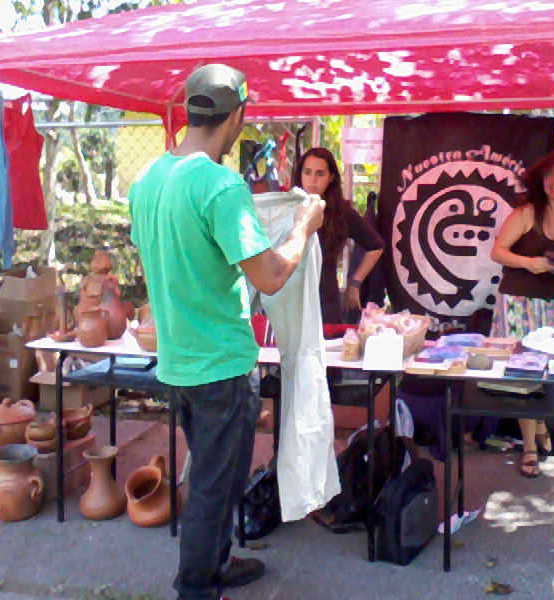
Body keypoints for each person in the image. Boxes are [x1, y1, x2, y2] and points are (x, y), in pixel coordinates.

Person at [128, 64, 325, 600]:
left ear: (191, 108)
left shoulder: (147, 179)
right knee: (216, 490)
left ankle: (214, 565)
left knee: (218, 479)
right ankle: (196, 587)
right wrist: (304, 225)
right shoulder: (219, 185)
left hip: (178, 362)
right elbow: (272, 276)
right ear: (237, 114)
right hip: (221, 366)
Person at [489, 149, 554, 478]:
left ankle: (541, 423)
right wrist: (529, 263)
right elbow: (498, 252)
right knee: (524, 372)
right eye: (550, 174)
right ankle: (530, 446)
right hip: (516, 302)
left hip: (551, 302)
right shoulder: (527, 213)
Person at [292, 148, 384, 324]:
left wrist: (354, 283)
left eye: (320, 173)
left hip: (325, 305)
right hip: (291, 302)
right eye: (307, 172)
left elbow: (376, 245)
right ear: (300, 174)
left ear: (331, 177)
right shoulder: (288, 206)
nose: (312, 180)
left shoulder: (339, 212)